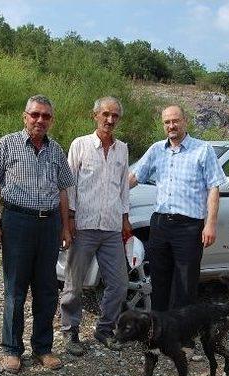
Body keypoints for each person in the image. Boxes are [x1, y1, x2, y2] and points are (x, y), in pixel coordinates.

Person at [0, 95, 74, 373]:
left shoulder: (56, 150)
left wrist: (65, 225)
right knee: (15, 289)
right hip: (17, 222)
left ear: (51, 120)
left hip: (48, 226)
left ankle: (43, 348)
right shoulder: (7, 144)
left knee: (47, 289)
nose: (40, 120)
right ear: (25, 116)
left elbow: (62, 190)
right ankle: (11, 349)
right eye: (35, 114)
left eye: (46, 116)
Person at [129, 105, 225, 319]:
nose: (171, 126)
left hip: (189, 227)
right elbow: (134, 178)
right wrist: (108, 191)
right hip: (160, 224)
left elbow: (214, 188)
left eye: (175, 121)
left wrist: (210, 224)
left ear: (185, 121)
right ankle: (159, 330)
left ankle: (183, 337)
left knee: (185, 282)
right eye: (167, 122)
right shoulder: (156, 150)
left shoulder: (203, 149)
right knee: (160, 280)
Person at [60, 96, 131, 355]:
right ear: (95, 116)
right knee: (74, 283)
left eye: (115, 116)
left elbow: (123, 187)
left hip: (111, 227)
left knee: (119, 283)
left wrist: (125, 219)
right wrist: (68, 220)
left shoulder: (122, 149)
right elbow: (69, 185)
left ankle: (104, 329)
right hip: (84, 225)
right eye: (105, 115)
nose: (110, 120)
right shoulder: (80, 145)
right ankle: (71, 332)